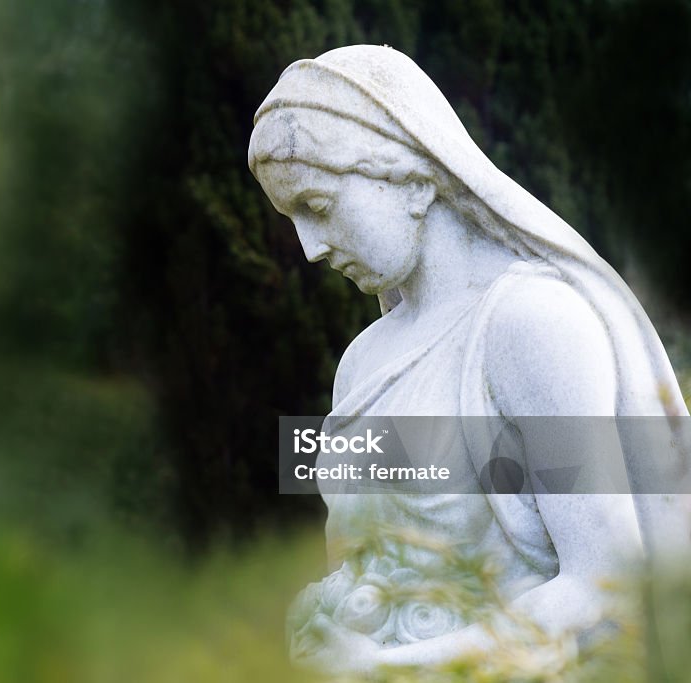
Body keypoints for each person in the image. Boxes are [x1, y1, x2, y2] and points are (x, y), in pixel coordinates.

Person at [248, 45, 689, 674]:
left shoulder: (533, 324)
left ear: (413, 178)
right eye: (292, 220)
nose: (310, 248)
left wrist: (391, 670)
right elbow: (356, 566)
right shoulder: (360, 361)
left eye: (317, 207)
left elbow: (607, 588)